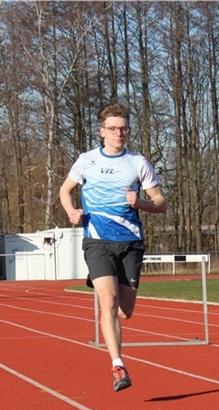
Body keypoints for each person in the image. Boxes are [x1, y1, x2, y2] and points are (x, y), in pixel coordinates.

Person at [59, 102, 167, 392]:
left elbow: (161, 203)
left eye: (124, 128)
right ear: (102, 132)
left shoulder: (138, 162)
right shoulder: (87, 160)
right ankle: (118, 365)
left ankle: (101, 282)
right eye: (113, 128)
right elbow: (64, 190)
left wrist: (140, 202)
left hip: (130, 242)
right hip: (97, 240)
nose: (119, 133)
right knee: (107, 302)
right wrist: (71, 211)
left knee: (125, 311)